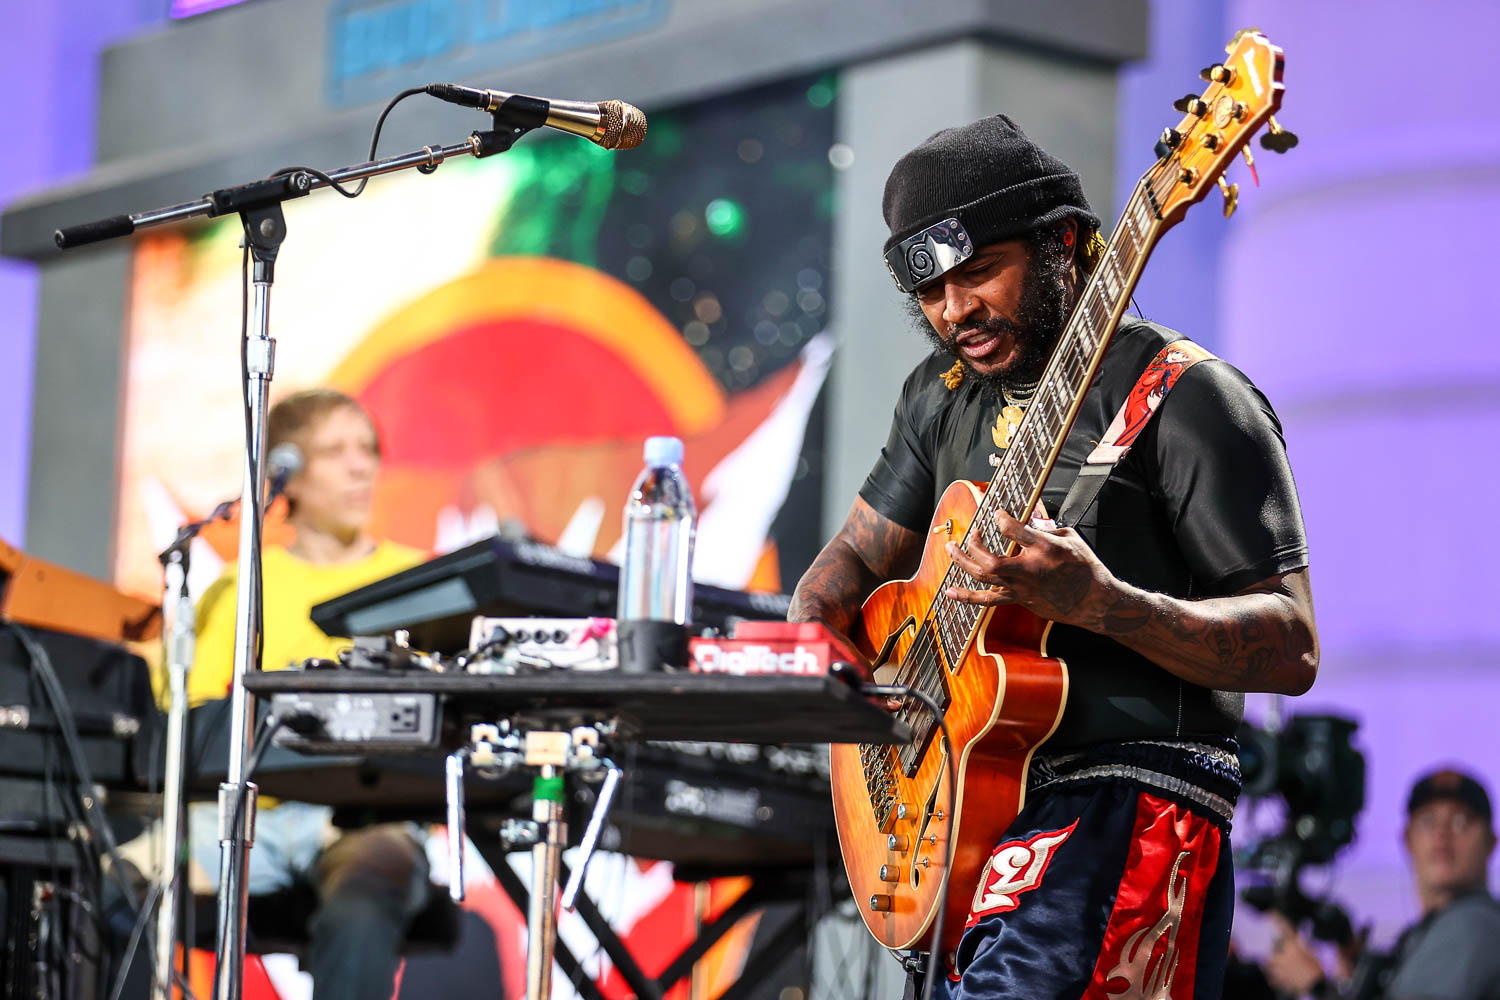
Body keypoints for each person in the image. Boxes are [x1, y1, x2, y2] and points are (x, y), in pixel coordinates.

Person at [788, 115, 1318, 997]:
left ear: (1066, 243)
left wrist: (1103, 602)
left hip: (1130, 800)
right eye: (932, 292)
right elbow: (850, 559)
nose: (955, 310)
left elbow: (1292, 645)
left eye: (979, 272)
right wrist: (822, 657)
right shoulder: (938, 397)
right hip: (965, 812)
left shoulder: (1189, 398)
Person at [187, 388, 430, 1000]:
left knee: (364, 895)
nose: (360, 466)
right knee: (121, 881)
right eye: (334, 451)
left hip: (363, 821)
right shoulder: (242, 586)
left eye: (368, 449)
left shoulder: (425, 579)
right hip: (247, 819)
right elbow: (191, 720)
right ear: (285, 472)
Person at [1265, 768, 1500, 999]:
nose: (1442, 833)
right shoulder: (1429, 931)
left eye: (1461, 821)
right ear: (1408, 838)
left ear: (1490, 842)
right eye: (1428, 820)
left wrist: (1316, 984)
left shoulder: (1474, 922)